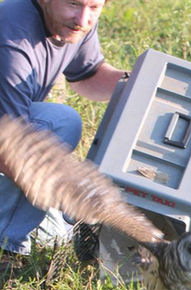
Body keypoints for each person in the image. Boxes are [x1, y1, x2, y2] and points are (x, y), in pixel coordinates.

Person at [0, 0, 130, 257]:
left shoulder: (73, 23)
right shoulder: (12, 43)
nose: (83, 20)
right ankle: (6, 248)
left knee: (59, 232)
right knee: (60, 122)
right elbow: (8, 152)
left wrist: (140, 82)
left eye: (94, 7)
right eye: (73, 3)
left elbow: (88, 76)